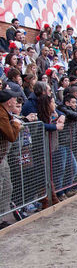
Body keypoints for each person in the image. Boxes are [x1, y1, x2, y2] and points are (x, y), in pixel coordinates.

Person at [0, 89, 22, 229]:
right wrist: (16, 124)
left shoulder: (5, 113)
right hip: (1, 156)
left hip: (2, 156)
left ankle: (1, 217)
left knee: (7, 186)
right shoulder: (2, 114)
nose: (16, 101)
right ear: (9, 102)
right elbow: (11, 135)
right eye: (14, 99)